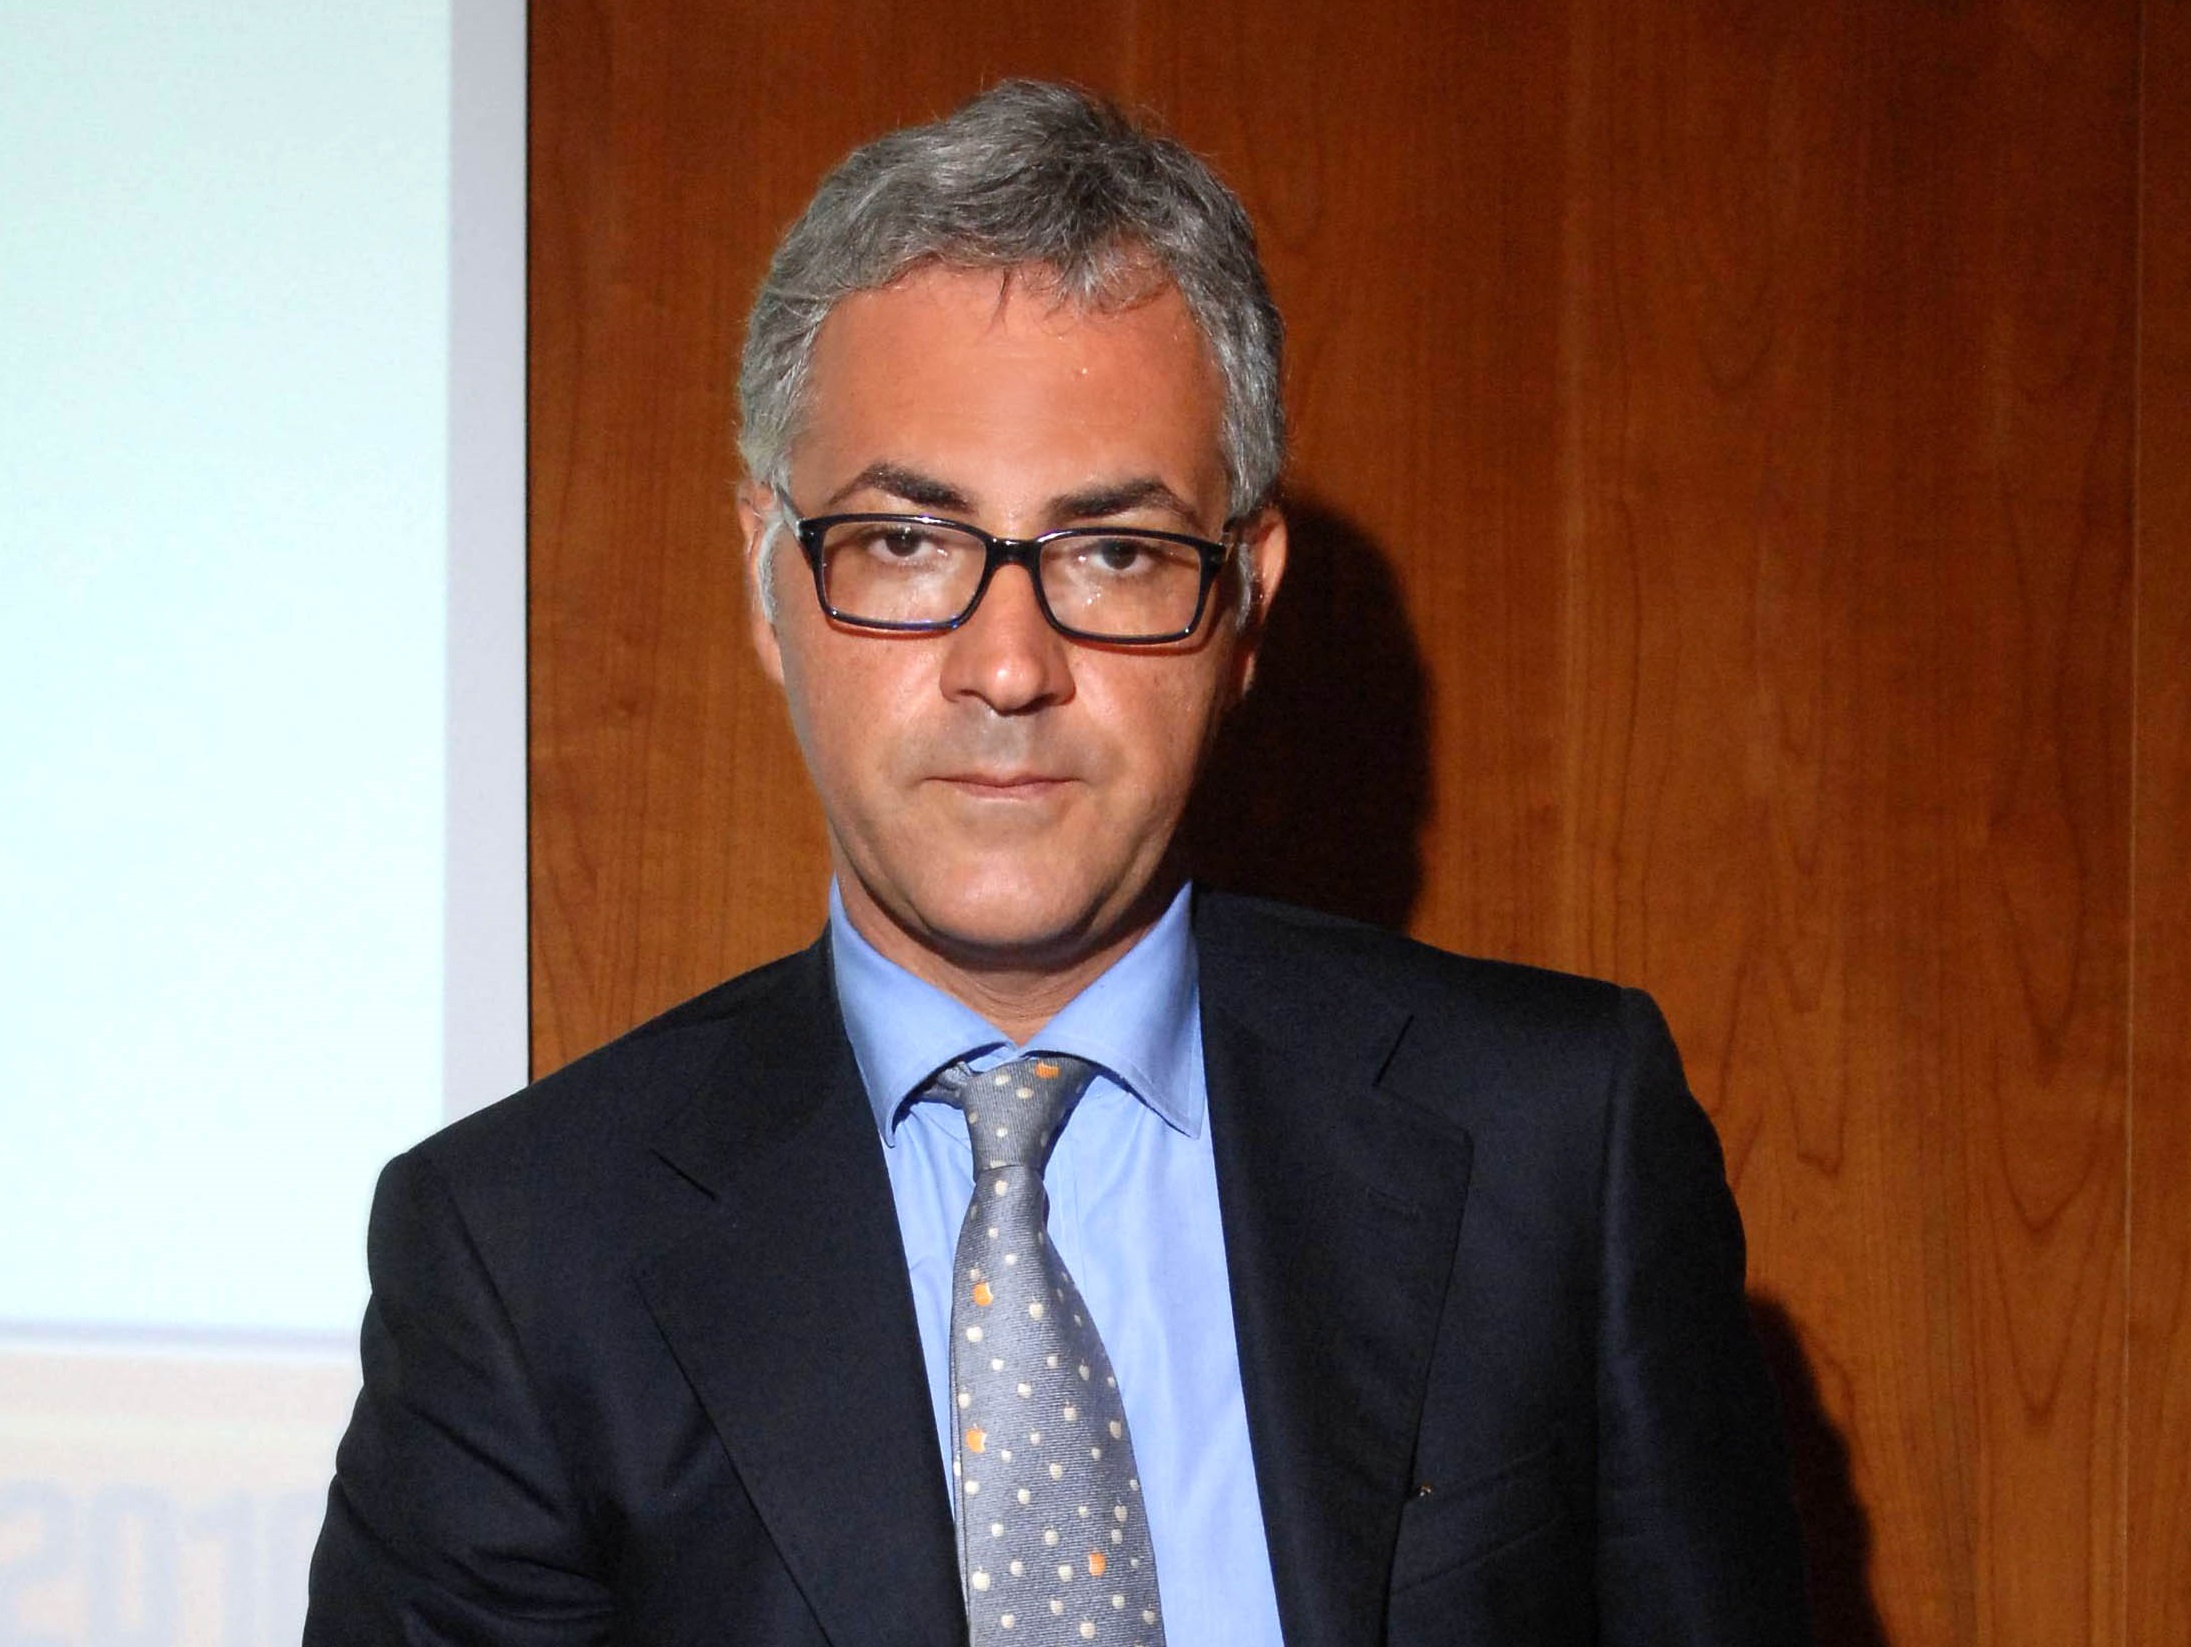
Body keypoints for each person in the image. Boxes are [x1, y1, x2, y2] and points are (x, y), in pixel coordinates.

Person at [306, 81, 1810, 1646]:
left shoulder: (1558, 1145)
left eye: (1116, 553)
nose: (1009, 667)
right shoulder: (522, 1258)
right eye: (906, 544)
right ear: (769, 576)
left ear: (1244, 602)